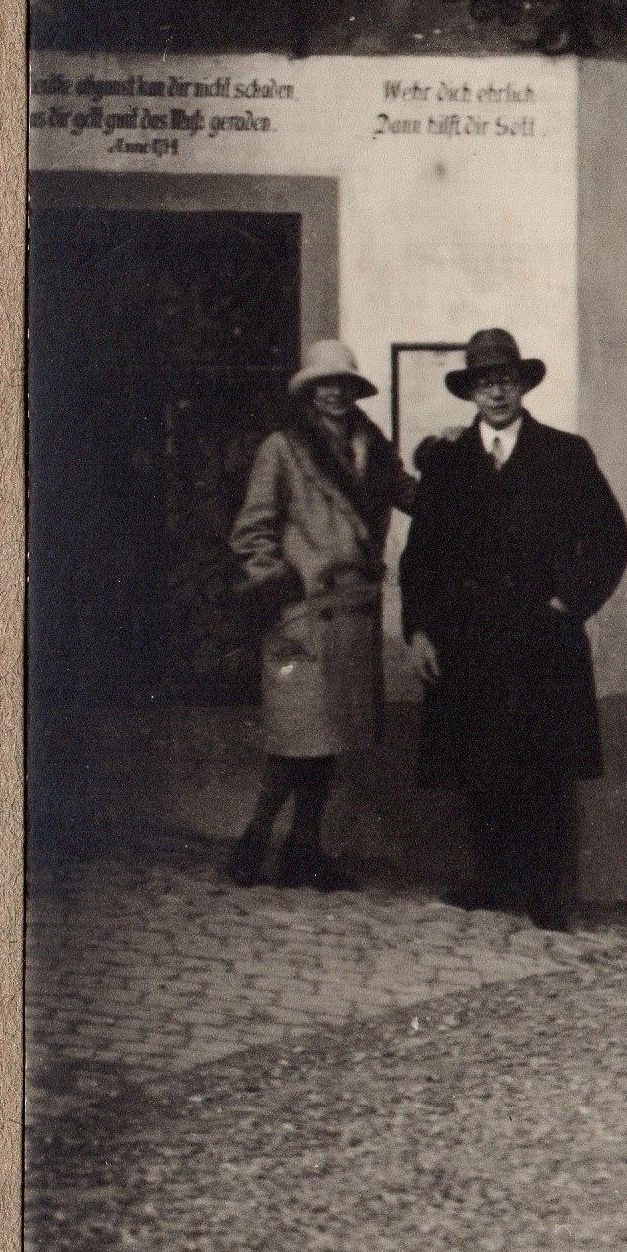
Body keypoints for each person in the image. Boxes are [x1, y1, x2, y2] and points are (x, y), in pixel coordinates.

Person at [399, 328, 627, 931]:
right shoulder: (448, 463)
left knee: (544, 767)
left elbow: (610, 538)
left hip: (542, 639)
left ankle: (547, 895)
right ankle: (491, 880)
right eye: (484, 383)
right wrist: (419, 632)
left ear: (522, 385)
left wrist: (567, 602)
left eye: (505, 380)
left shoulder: (565, 454)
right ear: (470, 393)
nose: (496, 392)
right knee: (480, 762)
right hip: (468, 640)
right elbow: (420, 557)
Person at [225, 339, 416, 890]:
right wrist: (285, 586)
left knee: (328, 740)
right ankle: (252, 844)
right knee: (296, 739)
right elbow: (252, 531)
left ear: (356, 390)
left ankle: (302, 853)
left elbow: (414, 496)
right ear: (309, 392)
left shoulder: (372, 448)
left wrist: (448, 457)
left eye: (344, 383)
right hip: (305, 614)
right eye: (323, 383)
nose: (335, 392)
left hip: (352, 611)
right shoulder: (283, 449)